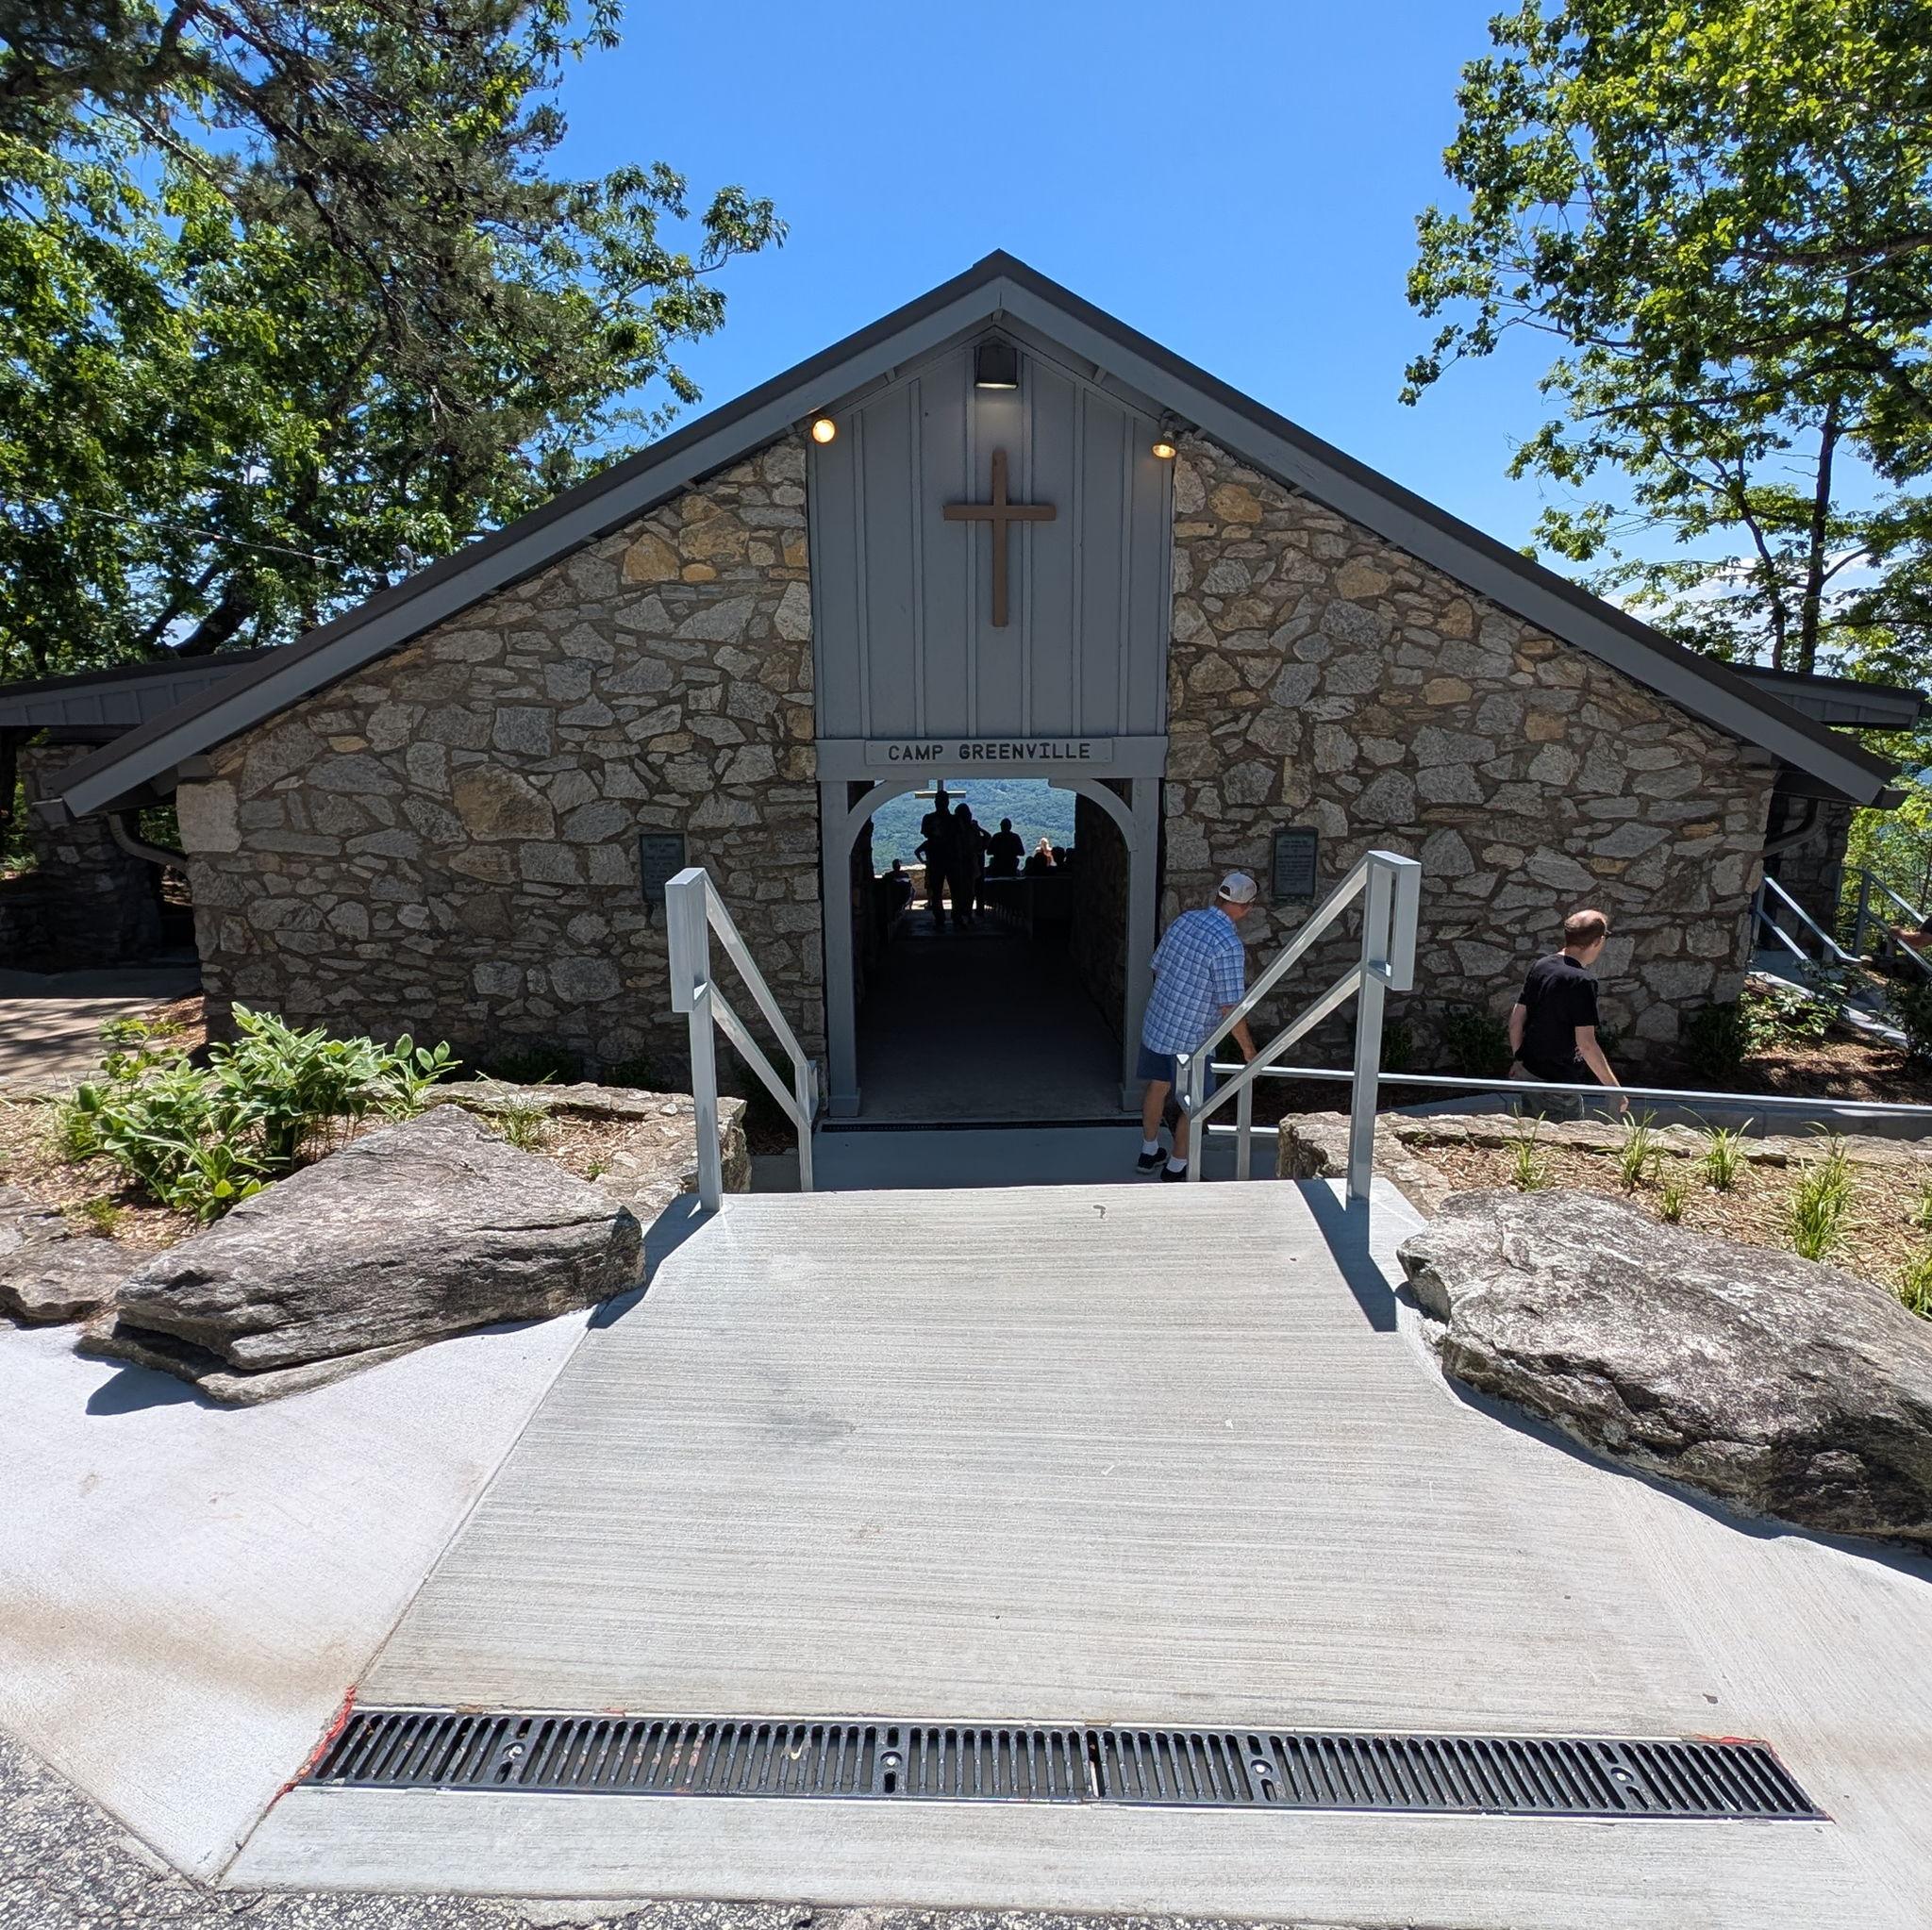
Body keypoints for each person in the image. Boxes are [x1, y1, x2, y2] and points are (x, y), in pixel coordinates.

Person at [1137, 873, 1259, 1179]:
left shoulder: (1185, 920)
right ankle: (1177, 1168)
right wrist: (1249, 1050)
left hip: (1158, 1023)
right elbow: (1230, 1007)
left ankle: (1148, 1151)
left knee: (1157, 1087)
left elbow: (1157, 964)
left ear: (1220, 896)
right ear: (1246, 907)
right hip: (1192, 1039)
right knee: (1196, 1105)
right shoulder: (1228, 945)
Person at [1508, 907, 1624, 1114]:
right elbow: (1586, 1044)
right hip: (1559, 1083)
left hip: (1530, 1073)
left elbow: (1516, 1019)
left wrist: (1519, 1059)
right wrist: (1614, 1090)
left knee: (1532, 1138)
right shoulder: (1582, 981)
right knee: (1565, 1144)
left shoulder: (1541, 966)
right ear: (1598, 941)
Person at [951, 800, 987, 924]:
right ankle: (966, 914)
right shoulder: (971, 830)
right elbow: (982, 842)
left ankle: (961, 913)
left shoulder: (956, 830)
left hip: (960, 863)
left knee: (961, 891)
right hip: (968, 863)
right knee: (968, 891)